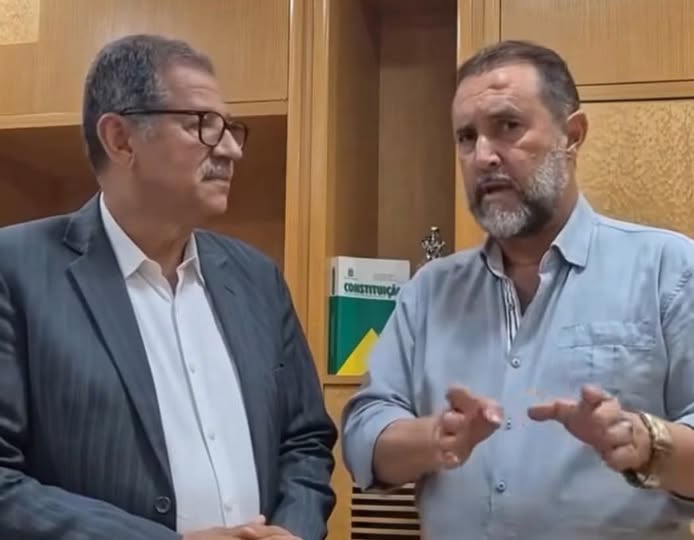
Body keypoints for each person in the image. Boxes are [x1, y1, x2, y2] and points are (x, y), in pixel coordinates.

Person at [341, 40, 694, 539]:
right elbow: (362, 436)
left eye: (508, 126)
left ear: (573, 135)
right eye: (466, 137)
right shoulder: (429, 292)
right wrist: (434, 438)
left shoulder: (669, 270)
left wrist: (646, 443)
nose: (483, 156)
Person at [0, 34, 336, 540]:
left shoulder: (257, 279)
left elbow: (304, 441)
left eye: (230, 129)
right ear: (120, 139)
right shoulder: (16, 271)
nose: (232, 149)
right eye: (202, 124)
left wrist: (294, 531)